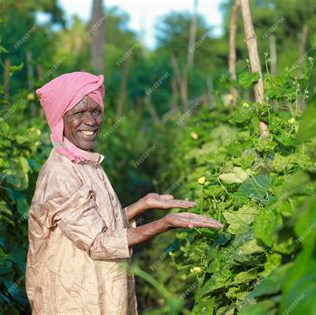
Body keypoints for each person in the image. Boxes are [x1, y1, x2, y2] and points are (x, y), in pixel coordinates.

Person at [25, 71, 223, 314]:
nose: (91, 121)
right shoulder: (60, 173)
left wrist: (143, 204)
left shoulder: (86, 163)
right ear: (60, 119)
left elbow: (98, 225)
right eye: (78, 113)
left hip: (101, 291)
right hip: (72, 298)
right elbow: (99, 242)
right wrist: (164, 224)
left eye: (95, 111)